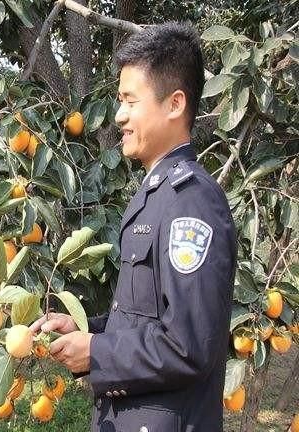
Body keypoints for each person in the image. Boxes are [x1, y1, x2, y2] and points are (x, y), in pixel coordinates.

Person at [31, 22, 236, 431]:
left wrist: (98, 352)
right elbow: (146, 319)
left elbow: (188, 345)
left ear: (175, 104)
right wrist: (86, 331)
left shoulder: (191, 202)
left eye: (130, 100)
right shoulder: (157, 194)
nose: (120, 115)